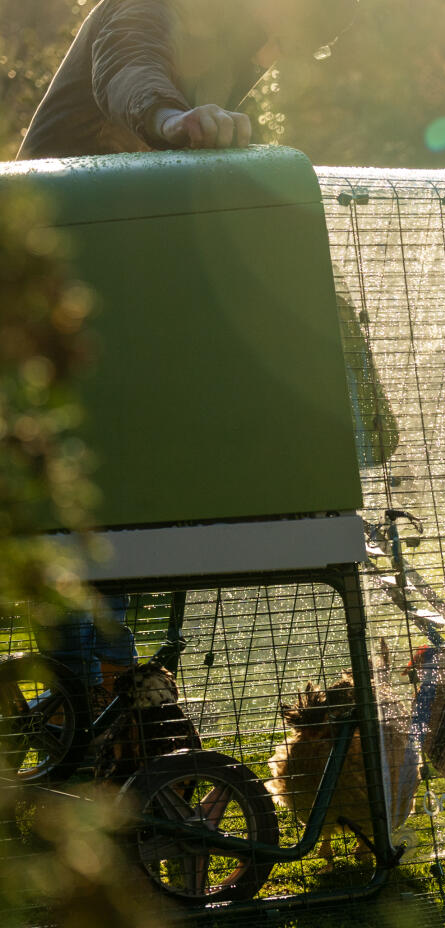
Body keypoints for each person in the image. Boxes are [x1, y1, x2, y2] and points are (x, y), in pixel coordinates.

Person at [19, 0, 358, 702]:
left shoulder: (242, 40)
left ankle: (109, 734)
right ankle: (95, 735)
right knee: (85, 537)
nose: (283, 48)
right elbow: (132, 68)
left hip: (131, 315)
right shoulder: (148, 9)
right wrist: (172, 119)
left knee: (118, 548)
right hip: (53, 307)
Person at [17, 0, 357, 160]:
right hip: (48, 231)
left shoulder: (236, 46)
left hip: (123, 223)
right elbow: (129, 66)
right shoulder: (154, 5)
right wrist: (169, 119)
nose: (273, 57)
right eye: (283, 42)